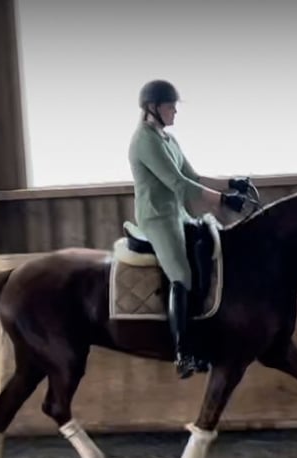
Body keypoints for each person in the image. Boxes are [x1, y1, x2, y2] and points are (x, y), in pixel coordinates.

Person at [128, 79, 248, 379]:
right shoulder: (144, 140)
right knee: (181, 276)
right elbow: (179, 184)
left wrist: (231, 183)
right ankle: (183, 352)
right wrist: (223, 199)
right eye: (171, 107)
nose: (175, 113)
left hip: (178, 213)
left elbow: (192, 175)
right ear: (153, 107)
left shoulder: (167, 139)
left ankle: (206, 332)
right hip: (157, 218)